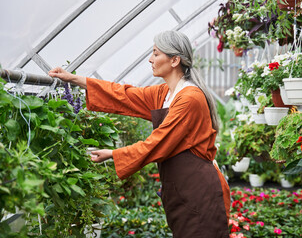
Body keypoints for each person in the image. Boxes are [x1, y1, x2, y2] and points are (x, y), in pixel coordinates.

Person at [49, 30, 230, 237]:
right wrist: (73, 79)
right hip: (182, 191)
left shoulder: (189, 98)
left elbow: (159, 142)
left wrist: (113, 154)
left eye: (155, 53)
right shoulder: (166, 93)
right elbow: (124, 95)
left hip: (198, 193)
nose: (150, 59)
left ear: (174, 60)